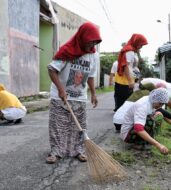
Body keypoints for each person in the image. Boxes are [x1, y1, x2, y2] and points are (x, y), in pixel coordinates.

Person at [46, 22, 102, 164]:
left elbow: (90, 76)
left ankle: (78, 150)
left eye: (95, 42)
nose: (92, 45)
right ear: (82, 37)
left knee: (80, 126)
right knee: (58, 126)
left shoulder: (93, 55)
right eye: (90, 41)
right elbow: (52, 69)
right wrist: (60, 89)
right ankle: (56, 152)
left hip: (80, 97)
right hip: (60, 95)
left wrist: (94, 94)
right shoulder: (67, 50)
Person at [118, 88, 171, 154]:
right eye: (160, 104)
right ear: (156, 99)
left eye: (162, 104)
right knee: (150, 120)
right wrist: (158, 145)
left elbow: (163, 112)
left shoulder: (151, 100)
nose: (160, 106)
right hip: (128, 134)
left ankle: (146, 141)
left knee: (156, 116)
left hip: (133, 129)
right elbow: (138, 128)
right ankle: (138, 144)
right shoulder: (142, 106)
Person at [114, 33, 148, 111]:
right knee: (124, 105)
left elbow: (133, 67)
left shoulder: (132, 51)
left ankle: (122, 121)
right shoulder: (129, 51)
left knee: (126, 104)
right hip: (123, 81)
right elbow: (126, 66)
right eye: (141, 45)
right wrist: (130, 81)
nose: (141, 47)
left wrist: (137, 77)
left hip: (126, 80)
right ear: (136, 42)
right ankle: (120, 122)